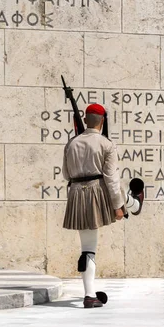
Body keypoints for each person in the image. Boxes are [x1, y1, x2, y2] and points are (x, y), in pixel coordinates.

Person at [62, 103, 125, 309]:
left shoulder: (71, 143)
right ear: (102, 121)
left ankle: (90, 292)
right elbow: (112, 179)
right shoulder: (106, 144)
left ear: (85, 119)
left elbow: (65, 174)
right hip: (95, 194)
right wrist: (117, 205)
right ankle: (89, 295)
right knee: (89, 249)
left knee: (87, 246)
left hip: (76, 194)